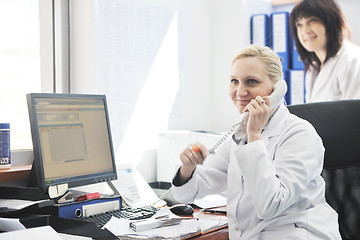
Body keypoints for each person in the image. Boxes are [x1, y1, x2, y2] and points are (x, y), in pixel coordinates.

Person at [171, 45, 341, 239]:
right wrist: (188, 167)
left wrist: (254, 135)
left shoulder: (300, 134)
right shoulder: (239, 136)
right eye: (234, 81)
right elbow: (187, 194)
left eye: (251, 82)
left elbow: (270, 205)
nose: (240, 91)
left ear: (276, 88)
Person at [290, 0, 360, 102]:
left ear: (330, 22)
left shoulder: (352, 60)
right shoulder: (314, 66)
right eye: (299, 24)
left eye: (312, 20)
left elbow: (354, 114)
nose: (305, 30)